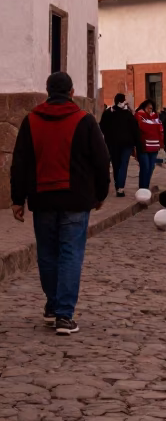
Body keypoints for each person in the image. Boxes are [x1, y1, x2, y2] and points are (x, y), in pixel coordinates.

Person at [10, 71, 110, 335]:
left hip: (42, 198)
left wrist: (17, 199)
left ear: (47, 91)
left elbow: (20, 162)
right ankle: (64, 315)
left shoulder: (31, 120)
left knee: (47, 253)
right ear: (72, 91)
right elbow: (101, 161)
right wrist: (101, 193)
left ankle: (53, 307)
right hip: (76, 199)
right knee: (70, 253)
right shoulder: (85, 120)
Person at [99, 93, 140, 197]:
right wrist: (136, 143)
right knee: (122, 165)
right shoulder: (127, 114)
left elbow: (102, 127)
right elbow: (135, 129)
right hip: (125, 144)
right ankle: (120, 188)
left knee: (117, 165)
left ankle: (119, 186)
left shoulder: (108, 113)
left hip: (113, 144)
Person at [135, 100, 165, 189]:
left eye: (151, 108)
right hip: (143, 147)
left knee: (151, 168)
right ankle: (142, 188)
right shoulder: (138, 116)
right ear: (144, 107)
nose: (150, 110)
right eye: (148, 108)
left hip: (154, 147)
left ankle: (146, 187)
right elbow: (143, 129)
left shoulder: (156, 117)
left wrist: (161, 143)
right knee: (145, 167)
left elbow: (160, 130)